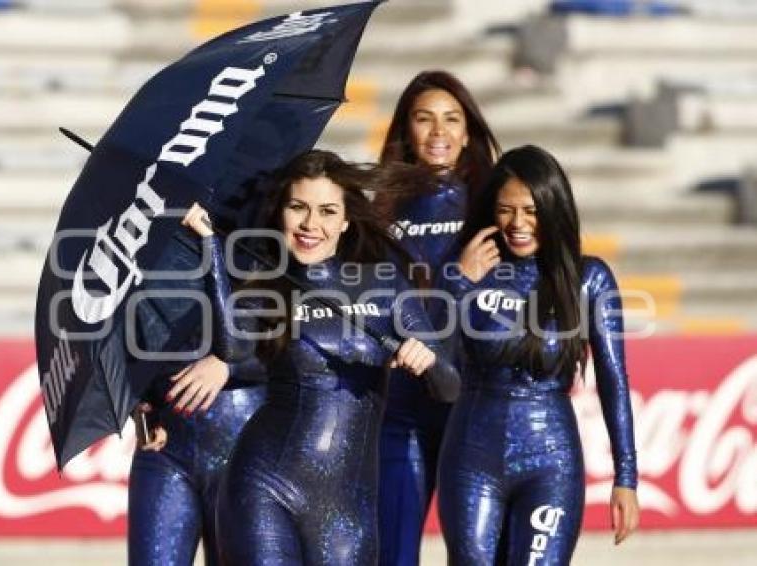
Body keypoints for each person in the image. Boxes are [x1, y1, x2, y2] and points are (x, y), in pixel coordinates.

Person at [181, 150, 461, 565]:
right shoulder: (264, 282)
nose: (311, 225)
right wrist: (209, 247)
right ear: (281, 212)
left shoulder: (382, 282)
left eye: (327, 211)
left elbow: (449, 387)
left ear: (346, 220)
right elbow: (233, 349)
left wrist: (428, 360)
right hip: (262, 485)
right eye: (298, 207)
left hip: (348, 507)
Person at [436, 145, 640, 564]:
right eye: (506, 210)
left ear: (553, 208)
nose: (518, 224)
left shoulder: (590, 278)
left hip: (551, 462)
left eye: (531, 210)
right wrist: (458, 282)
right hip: (471, 455)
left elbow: (613, 380)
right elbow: (429, 354)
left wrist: (626, 476)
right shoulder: (467, 268)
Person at [373, 70, 500, 565]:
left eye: (452, 119)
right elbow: (386, 308)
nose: (439, 132)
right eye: (424, 119)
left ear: (469, 132)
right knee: (394, 555)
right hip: (400, 409)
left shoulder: (493, 207)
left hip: (472, 409)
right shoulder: (379, 209)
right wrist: (457, 276)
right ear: (407, 130)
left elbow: (501, 310)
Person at [126, 235, 267, 566]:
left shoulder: (261, 232)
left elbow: (303, 344)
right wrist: (139, 400)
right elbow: (126, 341)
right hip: (165, 450)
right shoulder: (145, 239)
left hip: (246, 448)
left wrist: (228, 363)